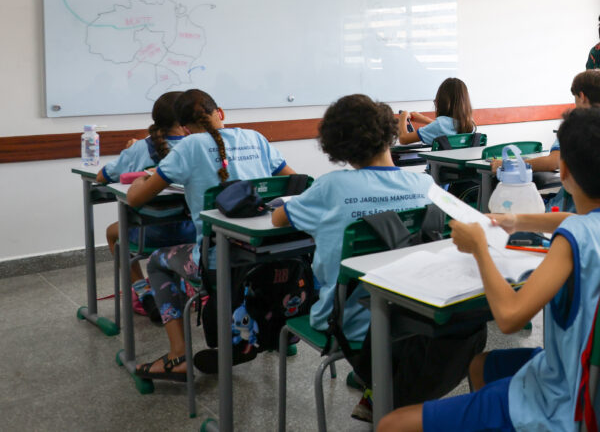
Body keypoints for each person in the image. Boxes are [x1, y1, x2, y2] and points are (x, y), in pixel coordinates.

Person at [378, 107, 600, 432]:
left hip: (565, 404)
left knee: (392, 424)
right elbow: (577, 219)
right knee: (480, 365)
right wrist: (516, 221)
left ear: (563, 169)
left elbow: (509, 319)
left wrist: (479, 248)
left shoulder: (572, 241)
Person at [271, 94, 434, 419]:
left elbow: (278, 219)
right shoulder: (424, 184)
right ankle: (376, 382)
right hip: (414, 317)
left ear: (338, 147)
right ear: (388, 133)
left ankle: (374, 379)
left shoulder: (331, 187)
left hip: (345, 323)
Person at [126, 89, 295, 381]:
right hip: (266, 257)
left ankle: (178, 355)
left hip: (218, 262)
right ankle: (268, 329)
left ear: (185, 128)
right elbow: (295, 182)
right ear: (221, 113)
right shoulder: (255, 138)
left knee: (156, 262)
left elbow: (136, 199)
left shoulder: (189, 147)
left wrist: (141, 178)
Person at [96, 91, 194, 322]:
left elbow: (102, 177)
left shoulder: (141, 148)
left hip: (150, 235)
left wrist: (131, 151)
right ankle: (186, 289)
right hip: (193, 233)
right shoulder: (197, 146)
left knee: (113, 233)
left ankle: (143, 291)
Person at [489, 68, 600, 176]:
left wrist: (510, 164)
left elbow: (554, 162)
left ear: (582, 96)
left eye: (575, 97)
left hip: (580, 195)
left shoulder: (576, 127)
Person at [397, 77, 475, 145]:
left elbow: (404, 139)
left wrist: (403, 116)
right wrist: (424, 119)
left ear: (442, 102)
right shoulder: (469, 125)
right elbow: (445, 127)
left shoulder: (439, 125)